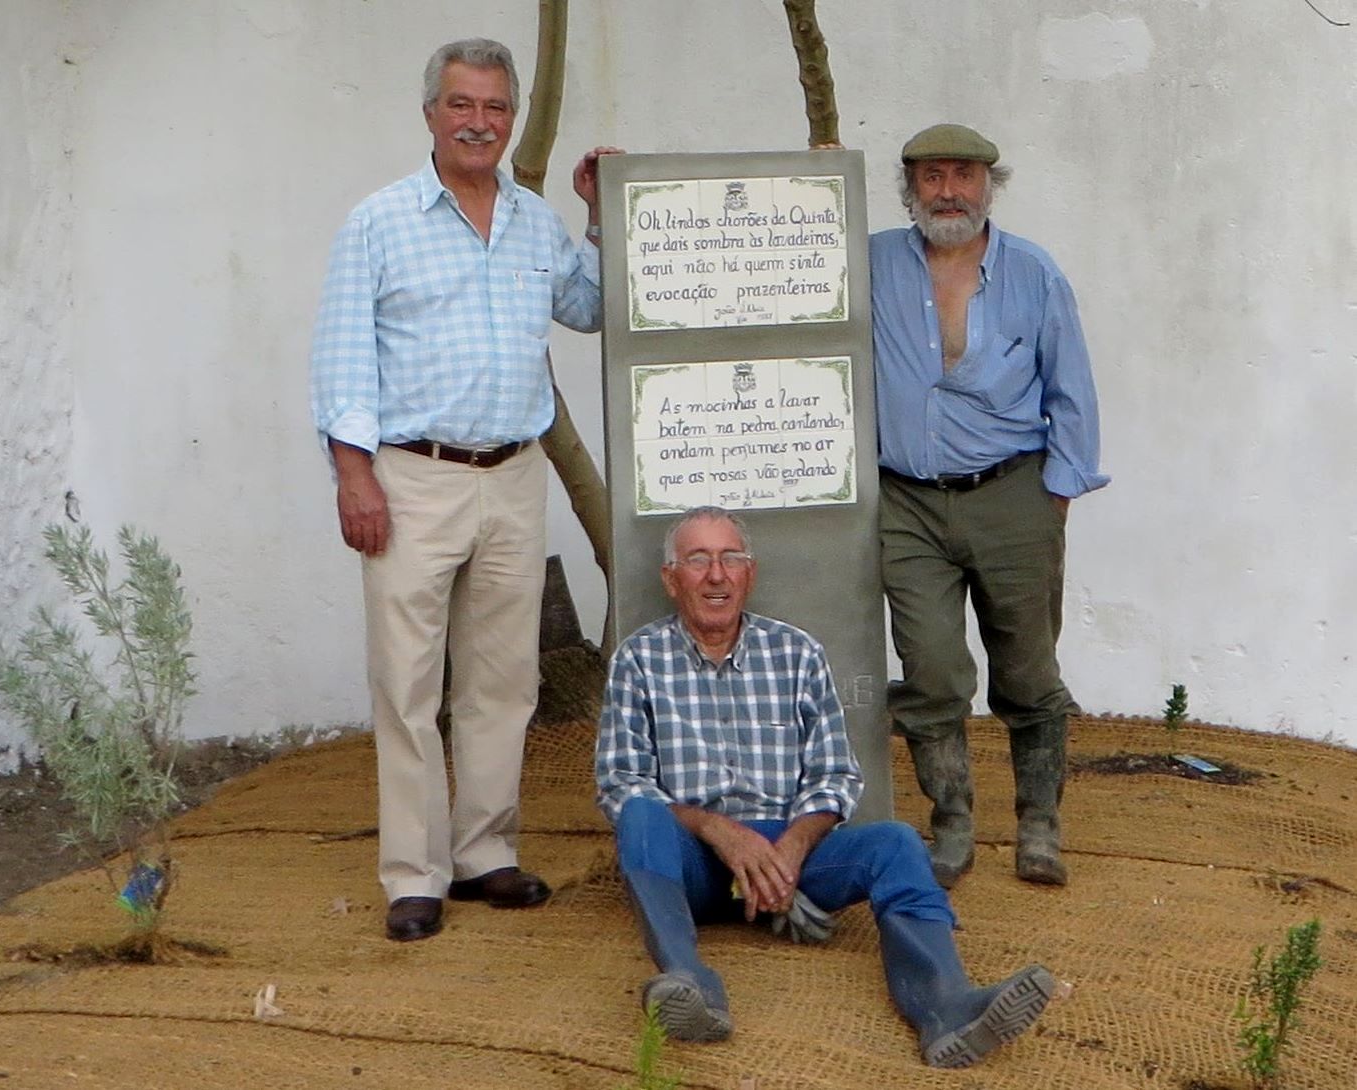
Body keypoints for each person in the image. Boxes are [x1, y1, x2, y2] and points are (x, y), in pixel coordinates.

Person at [310, 37, 619, 942]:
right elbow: (340, 357)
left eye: (495, 107)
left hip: (514, 476)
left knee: (503, 678)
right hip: (412, 477)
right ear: (431, 114)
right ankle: (415, 873)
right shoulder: (379, 221)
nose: (479, 123)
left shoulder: (533, 221)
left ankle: (486, 851)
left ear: (511, 119)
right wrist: (354, 474)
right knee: (408, 682)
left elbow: (590, 308)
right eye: (462, 105)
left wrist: (598, 216)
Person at [595, 506, 1056, 1069]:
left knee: (895, 843)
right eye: (698, 560)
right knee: (640, 815)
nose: (717, 574)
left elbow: (837, 774)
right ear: (671, 579)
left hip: (792, 852)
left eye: (731, 558)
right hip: (693, 862)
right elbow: (620, 781)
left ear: (749, 573)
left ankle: (946, 1007)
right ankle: (689, 985)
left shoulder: (796, 652)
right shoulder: (638, 659)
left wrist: (791, 848)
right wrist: (720, 831)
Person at [870, 124, 1109, 889]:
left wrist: (1057, 495)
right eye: (932, 176)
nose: (948, 191)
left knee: (1028, 672)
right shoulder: (870, 262)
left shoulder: (1033, 273)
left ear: (988, 186)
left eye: (963, 175)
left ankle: (1039, 825)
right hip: (905, 503)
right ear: (911, 188)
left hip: (1014, 494)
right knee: (932, 670)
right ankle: (952, 823)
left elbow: (1071, 387)